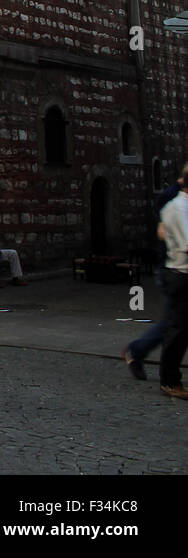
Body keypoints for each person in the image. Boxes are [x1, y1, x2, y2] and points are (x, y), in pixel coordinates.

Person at [125, 173, 183, 379]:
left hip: (174, 268)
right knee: (173, 323)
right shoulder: (173, 200)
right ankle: (139, 351)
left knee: (175, 322)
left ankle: (139, 351)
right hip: (174, 269)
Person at [155, 166, 188, 399]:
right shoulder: (179, 207)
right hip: (181, 273)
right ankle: (169, 380)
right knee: (178, 329)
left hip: (177, 271)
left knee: (178, 327)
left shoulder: (176, 205)